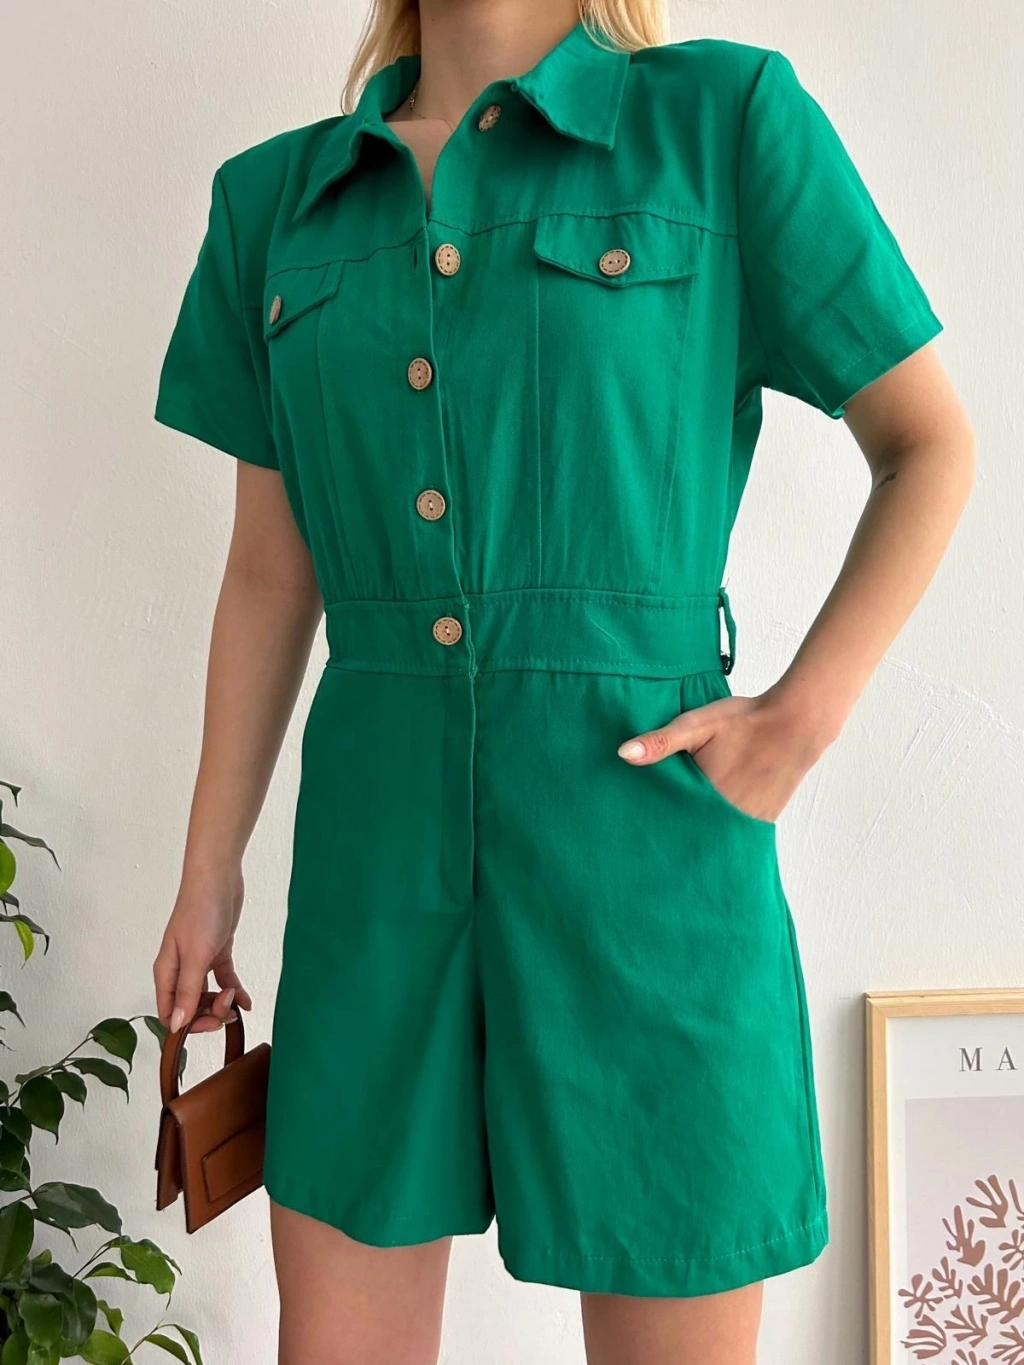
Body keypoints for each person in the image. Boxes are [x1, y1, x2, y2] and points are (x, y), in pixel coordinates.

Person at [150, 0, 975, 1360]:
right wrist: (207, 874)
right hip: (372, 863)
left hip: (645, 850)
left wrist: (799, 720)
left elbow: (929, 442)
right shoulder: (274, 201)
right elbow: (267, 573)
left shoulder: (721, 124)